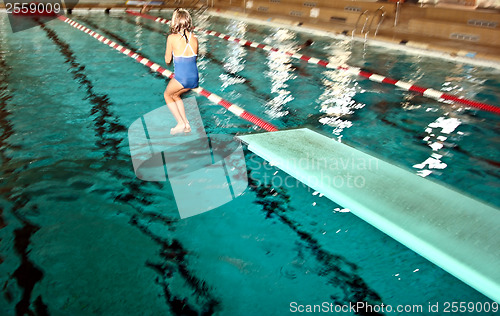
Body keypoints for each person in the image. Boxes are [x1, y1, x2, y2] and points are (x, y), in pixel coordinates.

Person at [164, 8, 199, 135]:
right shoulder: (194, 38)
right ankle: (186, 124)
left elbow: (168, 60)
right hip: (194, 78)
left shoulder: (172, 38)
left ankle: (180, 123)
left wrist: (170, 53)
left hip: (181, 78)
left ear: (174, 21)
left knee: (167, 95)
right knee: (176, 95)